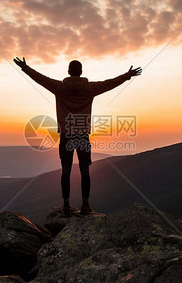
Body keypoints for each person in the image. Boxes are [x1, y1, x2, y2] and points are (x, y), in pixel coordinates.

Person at [13, 57, 142, 216]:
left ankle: (66, 205)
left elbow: (41, 79)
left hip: (66, 136)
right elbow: (109, 83)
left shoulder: (59, 87)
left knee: (66, 171)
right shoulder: (89, 88)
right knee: (85, 171)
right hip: (82, 136)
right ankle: (85, 205)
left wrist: (25, 68)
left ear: (68, 72)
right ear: (81, 73)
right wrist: (126, 76)